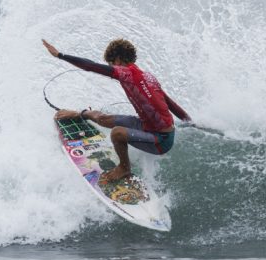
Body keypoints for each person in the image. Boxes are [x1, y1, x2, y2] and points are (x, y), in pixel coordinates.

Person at [42, 38, 191, 181]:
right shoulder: (147, 76)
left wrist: (60, 55)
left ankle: (124, 168)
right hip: (145, 125)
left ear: (118, 60)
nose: (112, 68)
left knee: (117, 133)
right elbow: (172, 105)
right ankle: (79, 114)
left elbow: (91, 66)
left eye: (112, 64)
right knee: (103, 119)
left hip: (161, 139)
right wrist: (190, 122)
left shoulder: (126, 73)